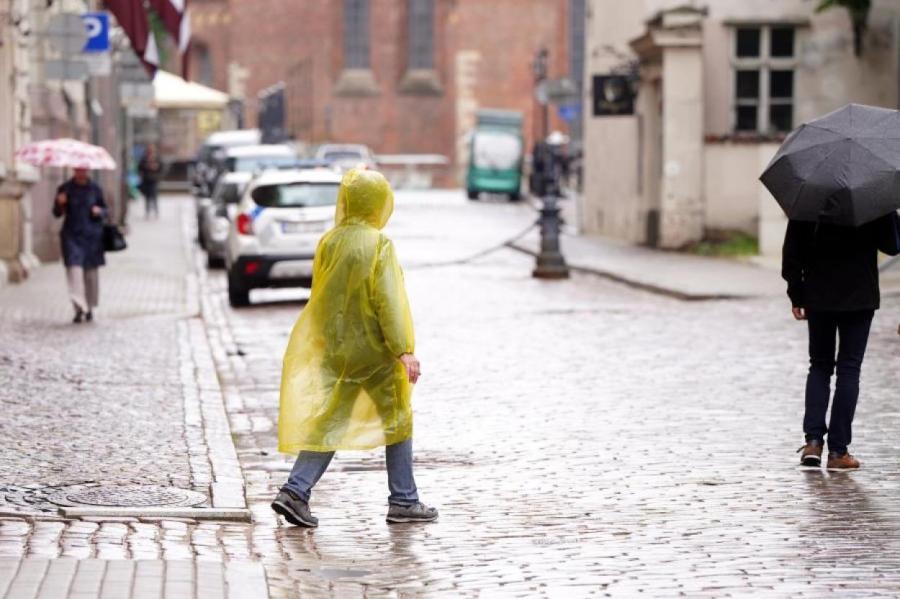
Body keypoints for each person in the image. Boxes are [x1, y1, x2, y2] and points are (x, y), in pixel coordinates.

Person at [271, 168, 437, 527]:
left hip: (337, 348)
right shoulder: (379, 244)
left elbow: (321, 295)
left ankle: (295, 491)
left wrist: (325, 342)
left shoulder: (329, 241)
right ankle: (404, 500)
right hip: (374, 351)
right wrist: (402, 348)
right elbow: (388, 301)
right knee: (398, 419)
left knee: (331, 418)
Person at [786, 210, 900, 470]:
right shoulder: (871, 197)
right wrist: (889, 212)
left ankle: (813, 442)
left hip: (819, 295)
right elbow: (894, 246)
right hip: (859, 296)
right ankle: (838, 452)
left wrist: (796, 293)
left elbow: (792, 251)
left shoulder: (812, 195)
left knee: (820, 366)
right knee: (849, 369)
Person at [53, 167, 108, 323]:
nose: (81, 172)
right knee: (74, 271)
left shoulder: (95, 189)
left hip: (92, 237)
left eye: (83, 169)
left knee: (90, 276)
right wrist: (60, 203)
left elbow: (106, 210)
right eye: (78, 169)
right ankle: (79, 308)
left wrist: (100, 211)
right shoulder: (65, 188)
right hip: (72, 235)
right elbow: (57, 213)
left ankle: (89, 307)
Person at [138, 145, 162, 219]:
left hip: (154, 180)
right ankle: (147, 212)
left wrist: (155, 167)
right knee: (147, 198)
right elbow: (140, 168)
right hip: (146, 180)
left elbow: (161, 168)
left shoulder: (156, 158)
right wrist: (147, 166)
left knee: (154, 197)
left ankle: (156, 211)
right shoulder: (144, 159)